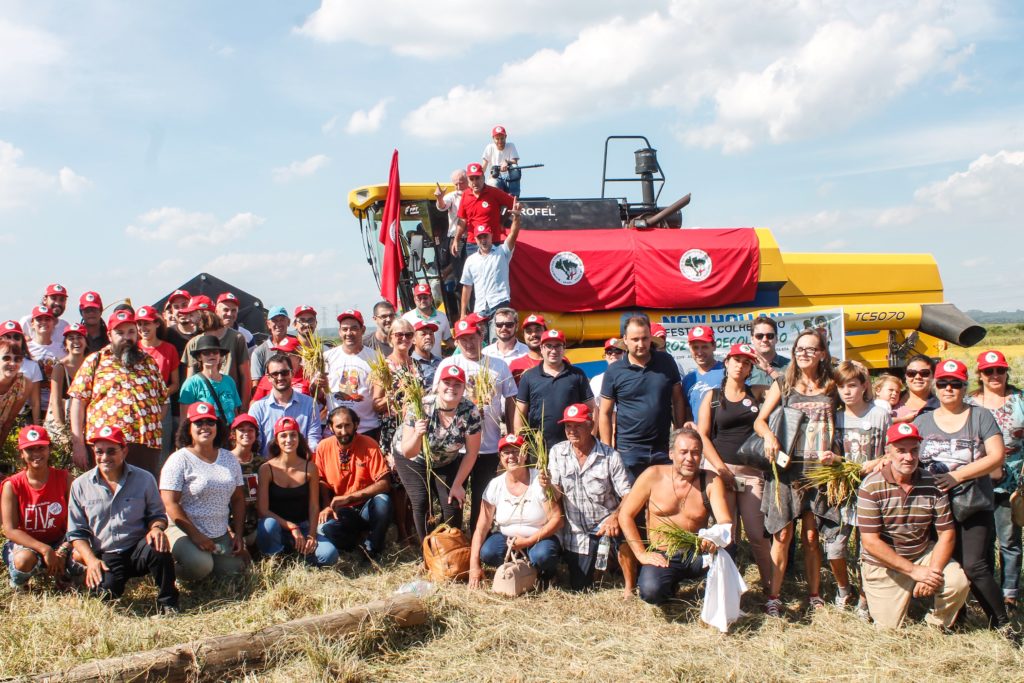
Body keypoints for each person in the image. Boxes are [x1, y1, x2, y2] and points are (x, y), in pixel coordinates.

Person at [914, 358, 1009, 631]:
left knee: (975, 565)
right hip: (936, 506)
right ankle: (957, 617)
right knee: (947, 565)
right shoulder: (923, 421)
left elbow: (997, 457)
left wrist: (958, 475)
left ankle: (1002, 623)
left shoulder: (980, 416)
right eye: (943, 383)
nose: (948, 389)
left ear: (965, 386)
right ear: (935, 386)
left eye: (955, 384)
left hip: (972, 503)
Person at [755, 328, 839, 616]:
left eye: (810, 349)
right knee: (783, 534)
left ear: (822, 354)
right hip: (788, 468)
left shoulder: (832, 385)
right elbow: (760, 421)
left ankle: (814, 593)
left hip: (820, 469)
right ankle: (774, 596)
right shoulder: (785, 382)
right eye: (799, 349)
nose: (803, 354)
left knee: (813, 536)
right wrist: (768, 437)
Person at [856, 422, 970, 630]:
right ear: (888, 452)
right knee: (888, 630)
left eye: (914, 450)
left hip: (921, 553)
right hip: (884, 563)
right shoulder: (871, 486)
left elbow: (946, 533)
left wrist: (931, 573)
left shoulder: (933, 483)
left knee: (958, 582)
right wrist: (914, 571)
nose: (908, 457)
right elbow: (870, 542)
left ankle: (937, 624)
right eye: (901, 451)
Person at [66, 425, 178, 612]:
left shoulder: (144, 478)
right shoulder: (80, 485)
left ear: (124, 451)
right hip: (107, 554)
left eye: (111, 451)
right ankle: (94, 579)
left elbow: (157, 514)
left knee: (160, 546)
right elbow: (76, 531)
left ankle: (169, 602)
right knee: (105, 593)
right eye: (99, 452)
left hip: (138, 547)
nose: (104, 458)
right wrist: (91, 560)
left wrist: (157, 528)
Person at [618, 428, 732, 605]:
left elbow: (725, 521)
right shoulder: (653, 475)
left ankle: (714, 597)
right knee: (651, 591)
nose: (689, 458)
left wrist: (713, 538)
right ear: (671, 454)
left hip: (697, 552)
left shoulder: (710, 480)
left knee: (729, 551)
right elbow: (625, 515)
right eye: (683, 452)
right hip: (664, 555)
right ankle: (668, 587)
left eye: (695, 453)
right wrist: (641, 554)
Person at [696, 343, 773, 591]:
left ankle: (771, 590)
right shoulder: (713, 397)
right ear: (726, 363)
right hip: (720, 473)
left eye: (746, 362)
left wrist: (768, 368)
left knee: (757, 535)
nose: (741, 365)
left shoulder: (758, 393)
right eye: (736, 360)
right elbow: (703, 436)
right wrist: (721, 470)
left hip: (751, 474)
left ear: (751, 368)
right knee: (726, 535)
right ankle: (727, 589)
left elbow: (787, 387)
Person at [435, 319, 516, 532]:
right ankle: (453, 542)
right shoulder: (448, 365)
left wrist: (512, 434)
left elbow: (511, 401)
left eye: (472, 337)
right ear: (456, 342)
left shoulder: (498, 365)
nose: (468, 343)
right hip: (455, 448)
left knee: (483, 498)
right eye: (463, 339)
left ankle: (478, 545)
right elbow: (437, 400)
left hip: (488, 445)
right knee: (453, 500)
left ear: (481, 337)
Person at [542, 405, 634, 593]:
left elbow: (628, 494)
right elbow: (558, 494)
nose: (572, 431)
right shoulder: (557, 453)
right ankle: (602, 563)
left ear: (591, 425)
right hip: (577, 531)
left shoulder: (610, 456)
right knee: (580, 586)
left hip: (606, 523)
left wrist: (615, 517)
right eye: (568, 426)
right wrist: (548, 486)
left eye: (578, 426)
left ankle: (629, 587)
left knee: (625, 535)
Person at [68, 310, 167, 477]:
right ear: (109, 335)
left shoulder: (149, 362)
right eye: (119, 333)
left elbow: (163, 400)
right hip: (107, 446)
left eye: (131, 332)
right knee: (106, 498)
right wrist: (77, 444)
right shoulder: (95, 361)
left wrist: (151, 423)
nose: (126, 337)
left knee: (142, 498)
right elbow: (78, 402)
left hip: (145, 446)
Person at [160, 402, 247, 581]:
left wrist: (238, 534)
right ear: (188, 428)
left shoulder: (229, 458)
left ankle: (208, 566)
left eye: (210, 422)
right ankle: (168, 571)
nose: (205, 427)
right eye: (199, 423)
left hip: (218, 532)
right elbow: (170, 503)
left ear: (218, 427)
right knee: (201, 566)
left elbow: (238, 499)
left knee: (237, 570)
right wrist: (196, 536)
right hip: (183, 530)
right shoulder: (179, 459)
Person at [830, 360, 891, 610]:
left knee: (868, 549)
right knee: (835, 547)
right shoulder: (834, 417)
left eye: (853, 385)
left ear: (864, 386)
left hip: (872, 492)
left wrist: (876, 462)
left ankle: (866, 598)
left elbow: (892, 452)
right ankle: (844, 589)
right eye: (841, 386)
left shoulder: (879, 414)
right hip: (842, 493)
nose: (847, 391)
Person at [398, 365, 482, 542]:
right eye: (447, 382)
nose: (451, 387)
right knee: (421, 502)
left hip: (446, 459)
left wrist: (458, 484)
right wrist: (418, 434)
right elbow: (408, 451)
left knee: (452, 505)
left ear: (463, 388)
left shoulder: (470, 412)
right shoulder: (421, 406)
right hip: (414, 457)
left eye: (457, 384)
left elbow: (471, 453)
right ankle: (427, 552)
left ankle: (448, 547)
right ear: (437, 385)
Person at [968, 349, 1024, 609]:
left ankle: (1010, 591)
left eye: (999, 370)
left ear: (1006, 372)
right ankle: (986, 590)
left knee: (1010, 538)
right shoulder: (970, 404)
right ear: (980, 374)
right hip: (979, 480)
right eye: (988, 371)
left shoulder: (1020, 400)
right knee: (984, 537)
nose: (994, 375)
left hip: (1015, 480)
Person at [469, 433, 562, 588]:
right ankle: (519, 568)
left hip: (538, 537)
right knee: (488, 552)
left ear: (525, 455)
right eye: (506, 452)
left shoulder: (539, 481)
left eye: (516, 451)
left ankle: (544, 573)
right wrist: (474, 566)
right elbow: (481, 527)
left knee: (543, 556)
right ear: (500, 457)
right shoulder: (495, 485)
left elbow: (557, 519)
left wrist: (527, 541)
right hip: (508, 538)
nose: (511, 456)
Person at [599, 315, 685, 481]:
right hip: (629, 452)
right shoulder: (614, 371)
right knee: (631, 504)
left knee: (665, 504)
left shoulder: (666, 362)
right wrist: (607, 450)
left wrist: (679, 434)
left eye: (645, 338)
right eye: (635, 339)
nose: (641, 344)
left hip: (664, 448)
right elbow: (604, 413)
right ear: (625, 339)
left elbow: (678, 399)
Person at [1, 426, 78, 590]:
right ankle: (19, 583)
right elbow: (10, 530)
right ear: (21, 453)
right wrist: (44, 549)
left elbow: (78, 519)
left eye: (41, 447)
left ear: (49, 448)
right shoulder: (12, 485)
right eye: (30, 449)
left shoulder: (65, 479)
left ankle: (64, 576)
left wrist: (64, 549)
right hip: (28, 544)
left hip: (60, 540)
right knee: (23, 560)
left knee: (81, 555)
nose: (36, 453)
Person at [256, 417, 338, 567]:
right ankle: (275, 558)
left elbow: (313, 506)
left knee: (329, 555)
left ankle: (296, 554)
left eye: (293, 435)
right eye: (283, 435)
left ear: (299, 438)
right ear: (276, 440)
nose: (289, 440)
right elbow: (263, 510)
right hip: (278, 527)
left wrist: (312, 535)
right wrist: (292, 527)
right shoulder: (266, 469)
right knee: (267, 525)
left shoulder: (310, 468)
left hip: (304, 526)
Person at [315, 407, 392, 559]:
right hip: (341, 511)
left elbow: (384, 483)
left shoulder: (369, 444)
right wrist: (326, 506)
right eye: (339, 426)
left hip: (366, 507)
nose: (344, 431)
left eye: (347, 425)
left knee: (383, 501)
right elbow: (321, 480)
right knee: (324, 529)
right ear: (330, 427)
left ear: (356, 424)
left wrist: (350, 498)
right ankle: (358, 542)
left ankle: (373, 549)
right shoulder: (323, 447)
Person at [514, 329, 595, 450]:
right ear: (541, 348)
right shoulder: (529, 377)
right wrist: (521, 446)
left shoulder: (577, 375)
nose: (553, 350)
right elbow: (520, 414)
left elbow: (592, 410)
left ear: (564, 348)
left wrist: (591, 439)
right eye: (549, 346)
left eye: (558, 346)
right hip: (539, 448)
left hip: (573, 445)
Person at [458, 202, 523, 326]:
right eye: (480, 237)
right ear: (475, 240)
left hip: (499, 304)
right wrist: (462, 313)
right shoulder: (471, 260)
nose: (483, 240)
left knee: (497, 341)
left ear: (491, 236)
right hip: (479, 309)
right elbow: (467, 287)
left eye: (485, 236)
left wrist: (516, 218)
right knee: (481, 344)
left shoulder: (502, 251)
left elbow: (513, 235)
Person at [180, 298, 251, 411]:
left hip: (229, 407)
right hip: (203, 410)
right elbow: (190, 380)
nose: (189, 319)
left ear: (203, 313)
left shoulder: (236, 338)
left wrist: (244, 408)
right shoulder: (193, 343)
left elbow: (245, 376)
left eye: (192, 314)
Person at [325, 309, 384, 442]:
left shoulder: (376, 358)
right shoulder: (327, 357)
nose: (349, 333)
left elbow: (379, 394)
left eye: (354, 328)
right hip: (337, 431)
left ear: (362, 330)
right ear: (339, 331)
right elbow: (321, 396)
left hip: (367, 429)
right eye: (344, 329)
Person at [248, 353, 321, 456]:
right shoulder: (257, 408)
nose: (280, 377)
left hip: (300, 466)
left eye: (284, 372)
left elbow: (313, 439)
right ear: (268, 378)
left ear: (292, 373)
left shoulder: (310, 404)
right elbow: (255, 443)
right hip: (268, 467)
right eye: (275, 374)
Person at [450, 162, 517, 257]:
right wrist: (456, 240)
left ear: (483, 177)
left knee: (493, 271)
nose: (475, 182)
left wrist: (502, 221)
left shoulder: (494, 192)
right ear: (468, 180)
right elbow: (462, 220)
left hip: (492, 242)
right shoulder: (465, 195)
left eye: (477, 178)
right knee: (473, 271)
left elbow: (513, 204)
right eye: (471, 179)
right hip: (472, 243)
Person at [178, 335, 242, 422]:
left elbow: (235, 412)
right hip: (205, 432)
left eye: (215, 352)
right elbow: (184, 419)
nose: (211, 355)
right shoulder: (191, 384)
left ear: (220, 356)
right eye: (206, 352)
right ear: (199, 357)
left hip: (228, 433)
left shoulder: (229, 381)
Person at [229, 414, 264, 551]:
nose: (246, 433)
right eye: (241, 430)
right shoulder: (224, 460)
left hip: (257, 524)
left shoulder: (262, 463)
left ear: (256, 434)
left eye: (250, 430)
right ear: (233, 434)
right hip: (231, 525)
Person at [26, 305, 65, 422]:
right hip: (30, 408)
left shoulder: (62, 349)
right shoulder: (26, 349)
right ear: (32, 323)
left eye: (47, 319)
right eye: (39, 319)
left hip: (55, 407)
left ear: (53, 323)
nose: (43, 322)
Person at [46, 323, 87, 429]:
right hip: (65, 422)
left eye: (79, 337)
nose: (76, 341)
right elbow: (55, 401)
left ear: (86, 342)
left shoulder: (91, 364)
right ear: (65, 344)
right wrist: (61, 428)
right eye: (71, 338)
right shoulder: (59, 367)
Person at [681, 326, 723, 423]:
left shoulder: (728, 372)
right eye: (695, 347)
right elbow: (687, 412)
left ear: (714, 346)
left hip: (724, 436)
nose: (699, 352)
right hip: (697, 436)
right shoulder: (688, 379)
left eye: (704, 347)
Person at [251, 337, 311, 402]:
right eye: (279, 353)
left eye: (285, 354)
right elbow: (255, 403)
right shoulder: (269, 377)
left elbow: (320, 405)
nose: (281, 357)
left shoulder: (310, 377)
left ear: (299, 356)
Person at [403, 283, 453, 357]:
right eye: (419, 298)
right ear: (414, 299)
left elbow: (447, 339)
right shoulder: (406, 318)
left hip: (436, 363)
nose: (422, 301)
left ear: (431, 298)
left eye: (425, 297)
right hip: (415, 365)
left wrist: (460, 345)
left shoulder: (442, 316)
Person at [747, 315, 790, 392]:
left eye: (770, 336)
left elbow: (795, 394)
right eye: (759, 336)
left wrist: (769, 370)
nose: (764, 339)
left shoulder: (792, 366)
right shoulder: (744, 366)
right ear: (752, 339)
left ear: (776, 338)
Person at [0, 339, 31, 445]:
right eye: (6, 358)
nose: (12, 363)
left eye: (17, 359)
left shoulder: (24, 383)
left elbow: (9, 420)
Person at [250, 306, 292, 384]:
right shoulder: (259, 352)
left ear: (288, 322)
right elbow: (256, 383)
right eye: (274, 320)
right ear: (268, 324)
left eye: (282, 320)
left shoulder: (298, 348)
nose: (278, 324)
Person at [893, 354, 939, 424]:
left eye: (924, 373)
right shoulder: (891, 400)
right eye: (911, 373)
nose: (917, 377)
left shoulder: (940, 407)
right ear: (906, 377)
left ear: (933, 376)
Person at [481, 125, 521, 196]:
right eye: (497, 139)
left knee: (515, 168)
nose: (500, 141)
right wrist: (478, 179)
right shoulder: (489, 148)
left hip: (509, 178)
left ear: (505, 137)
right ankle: (497, 199)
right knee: (492, 182)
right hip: (496, 178)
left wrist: (507, 162)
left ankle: (514, 197)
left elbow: (515, 162)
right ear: (493, 139)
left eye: (502, 138)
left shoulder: (511, 146)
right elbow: (483, 167)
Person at [508, 313, 546, 385]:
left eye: (537, 330)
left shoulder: (561, 362)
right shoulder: (515, 365)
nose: (533, 334)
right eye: (529, 331)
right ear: (524, 336)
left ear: (545, 332)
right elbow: (510, 395)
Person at [590, 338, 625, 408]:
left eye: (618, 350)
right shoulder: (596, 381)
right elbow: (593, 408)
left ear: (624, 353)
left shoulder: (632, 377)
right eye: (609, 351)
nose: (613, 354)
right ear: (605, 356)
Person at [434, 168, 469, 240]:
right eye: (456, 184)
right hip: (456, 238)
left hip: (474, 238)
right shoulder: (451, 196)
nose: (459, 187)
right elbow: (442, 207)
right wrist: (440, 199)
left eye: (461, 183)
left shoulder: (476, 195)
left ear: (468, 180)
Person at [411, 320, 442, 388]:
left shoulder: (441, 362)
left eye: (431, 334)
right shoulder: (410, 364)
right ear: (413, 340)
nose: (428, 337)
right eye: (423, 334)